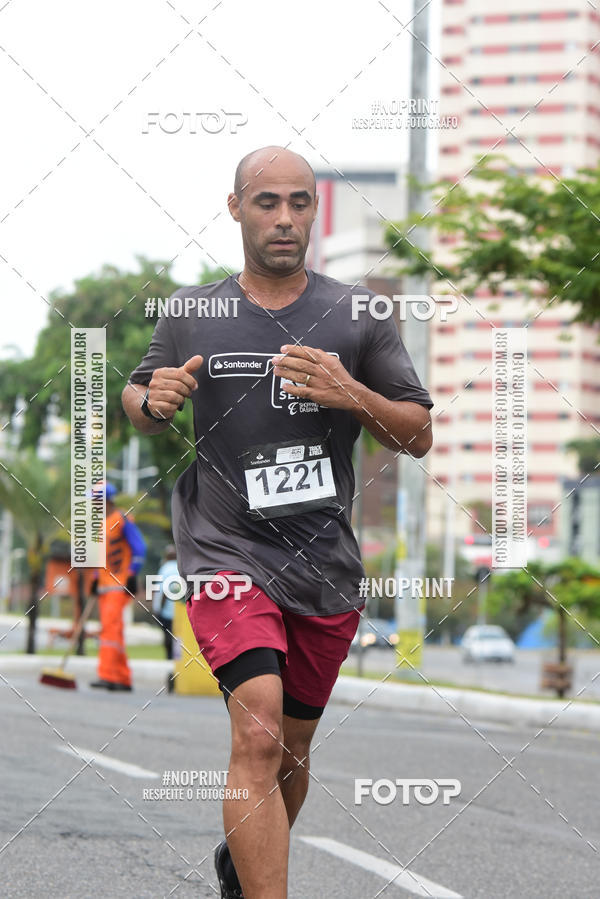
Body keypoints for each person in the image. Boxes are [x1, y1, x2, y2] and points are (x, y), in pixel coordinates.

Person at [122, 146, 433, 899]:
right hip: (223, 548)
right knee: (257, 723)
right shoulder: (192, 312)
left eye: (299, 201)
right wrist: (154, 401)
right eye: (267, 202)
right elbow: (139, 399)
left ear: (313, 211)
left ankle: (244, 856)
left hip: (323, 565)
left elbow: (415, 433)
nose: (284, 217)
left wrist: (349, 391)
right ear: (236, 208)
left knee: (289, 751)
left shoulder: (358, 313)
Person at [89, 482, 146, 692]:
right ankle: (122, 678)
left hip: (119, 585)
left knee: (109, 630)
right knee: (115, 631)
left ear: (106, 501)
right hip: (105, 586)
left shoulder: (122, 520)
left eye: (95, 500)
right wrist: (95, 578)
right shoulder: (100, 524)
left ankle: (107, 674)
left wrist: (132, 574)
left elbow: (140, 548)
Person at [151, 544, 181, 659]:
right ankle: (177, 661)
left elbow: (163, 591)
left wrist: (159, 609)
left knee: (168, 638)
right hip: (180, 611)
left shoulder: (165, 568)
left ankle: (170, 661)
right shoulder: (180, 567)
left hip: (167, 611)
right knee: (178, 638)